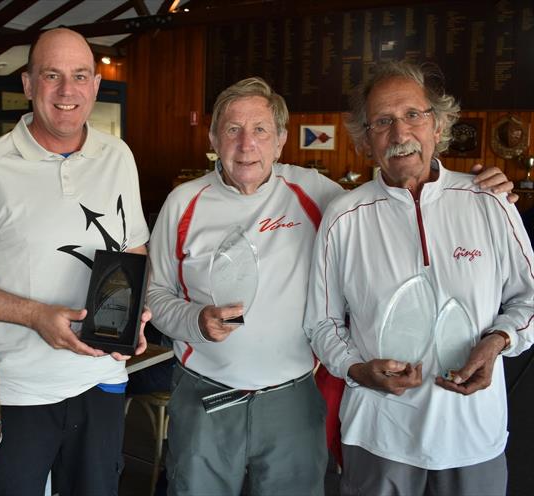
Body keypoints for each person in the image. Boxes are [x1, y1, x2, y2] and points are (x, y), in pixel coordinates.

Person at [146, 76, 518, 496]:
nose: (246, 144)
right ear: (214, 136)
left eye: (260, 130)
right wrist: (195, 320)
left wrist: (489, 190)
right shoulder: (183, 202)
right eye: (232, 129)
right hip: (204, 392)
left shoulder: (317, 193)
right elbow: (155, 297)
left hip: (291, 396)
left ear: (281, 139)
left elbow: (382, 208)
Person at [303, 60, 534, 496]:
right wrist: (356, 369)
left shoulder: (489, 201)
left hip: (472, 434)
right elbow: (322, 323)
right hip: (379, 434)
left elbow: (530, 298)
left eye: (413, 115)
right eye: (383, 122)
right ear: (366, 139)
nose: (400, 133)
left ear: (438, 124)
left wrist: (499, 340)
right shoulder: (344, 216)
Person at [0, 28, 149, 496]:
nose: (67, 90)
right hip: (16, 390)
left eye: (80, 76)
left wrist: (133, 311)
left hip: (101, 379)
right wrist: (35, 315)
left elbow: (132, 247)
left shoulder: (118, 155)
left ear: (96, 86)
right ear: (27, 84)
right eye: (51, 75)